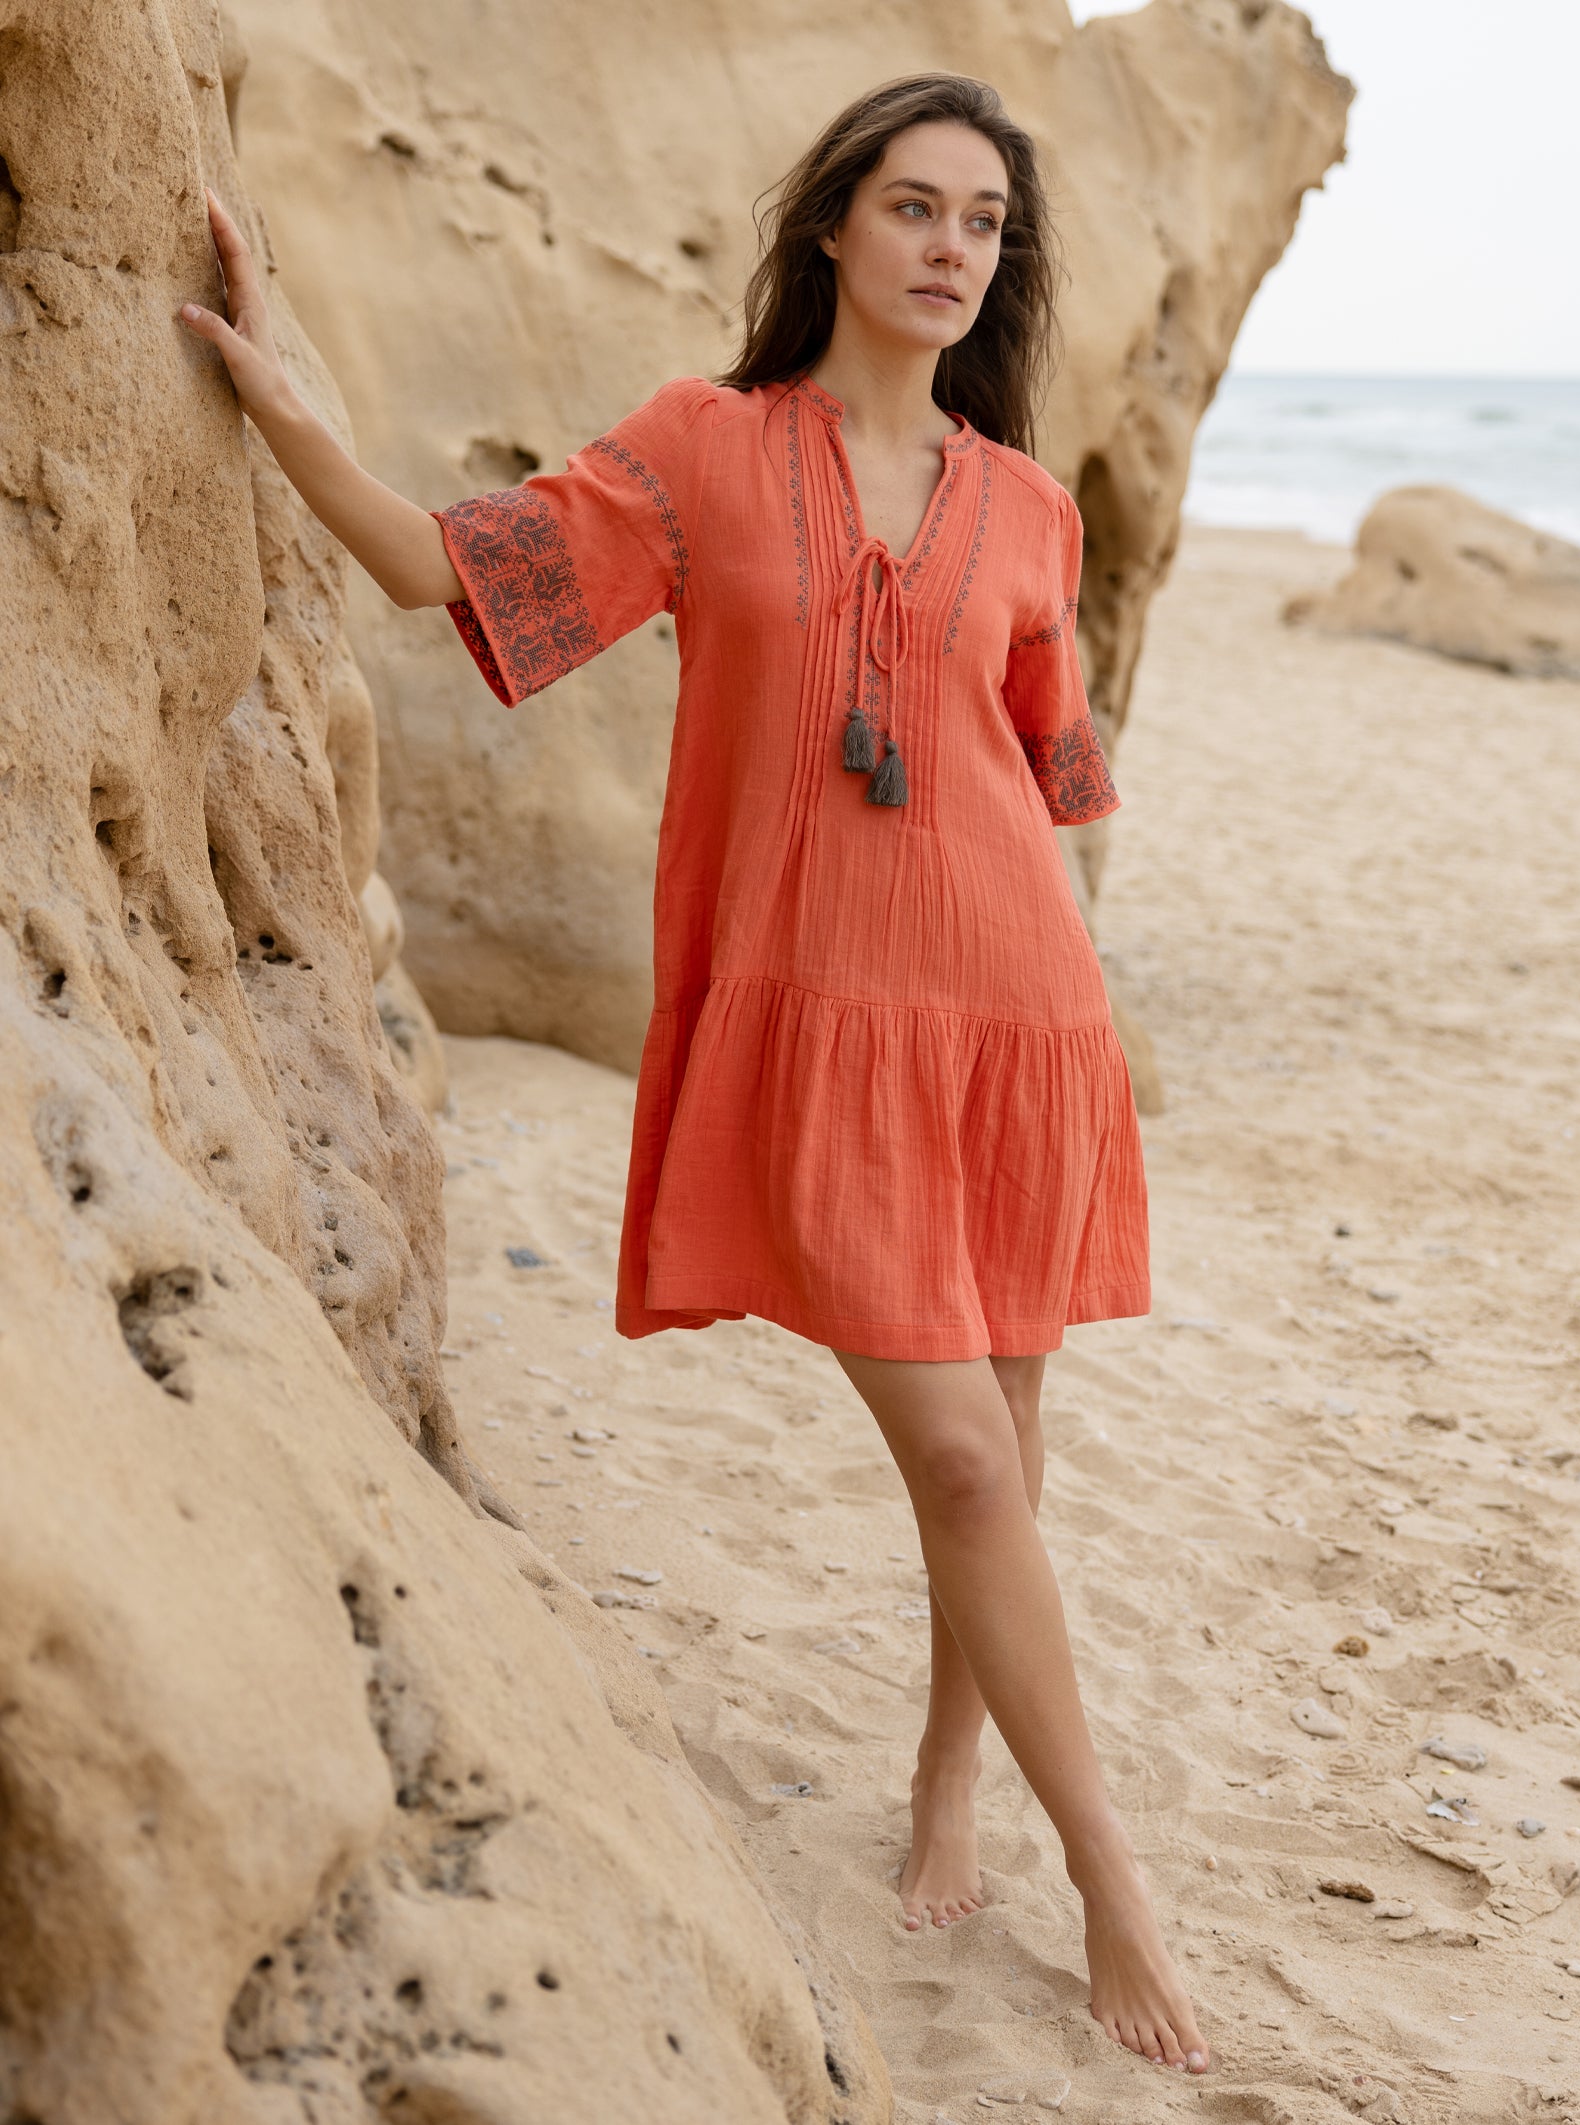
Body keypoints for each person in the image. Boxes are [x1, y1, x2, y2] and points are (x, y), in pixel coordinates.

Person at [179, 71, 1209, 2077]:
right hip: (812, 1027)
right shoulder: (705, 452)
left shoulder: (1025, 503)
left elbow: (1059, 761)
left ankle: (947, 1789)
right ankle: (1111, 1874)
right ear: (829, 227)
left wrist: (1069, 949)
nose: (943, 246)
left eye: (979, 223)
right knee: (973, 1462)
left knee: (997, 1441)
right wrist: (290, 399)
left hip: (1017, 1021)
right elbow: (444, 570)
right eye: (909, 206)